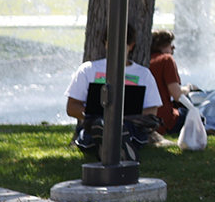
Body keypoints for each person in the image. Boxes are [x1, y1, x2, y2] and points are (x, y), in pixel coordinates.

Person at [65, 28, 163, 162]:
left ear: (131, 46)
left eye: (122, 44)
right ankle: (113, 139)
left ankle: (109, 141)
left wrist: (120, 118)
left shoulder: (143, 74)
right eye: (111, 43)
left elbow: (152, 111)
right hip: (93, 123)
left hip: (130, 125)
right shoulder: (88, 69)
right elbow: (72, 107)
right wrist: (101, 115)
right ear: (105, 44)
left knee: (124, 129)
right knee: (97, 124)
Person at [147, 30, 187, 136]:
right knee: (195, 113)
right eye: (170, 44)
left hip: (148, 118)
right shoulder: (166, 60)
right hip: (164, 120)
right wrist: (188, 88)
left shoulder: (147, 60)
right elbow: (177, 95)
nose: (173, 47)